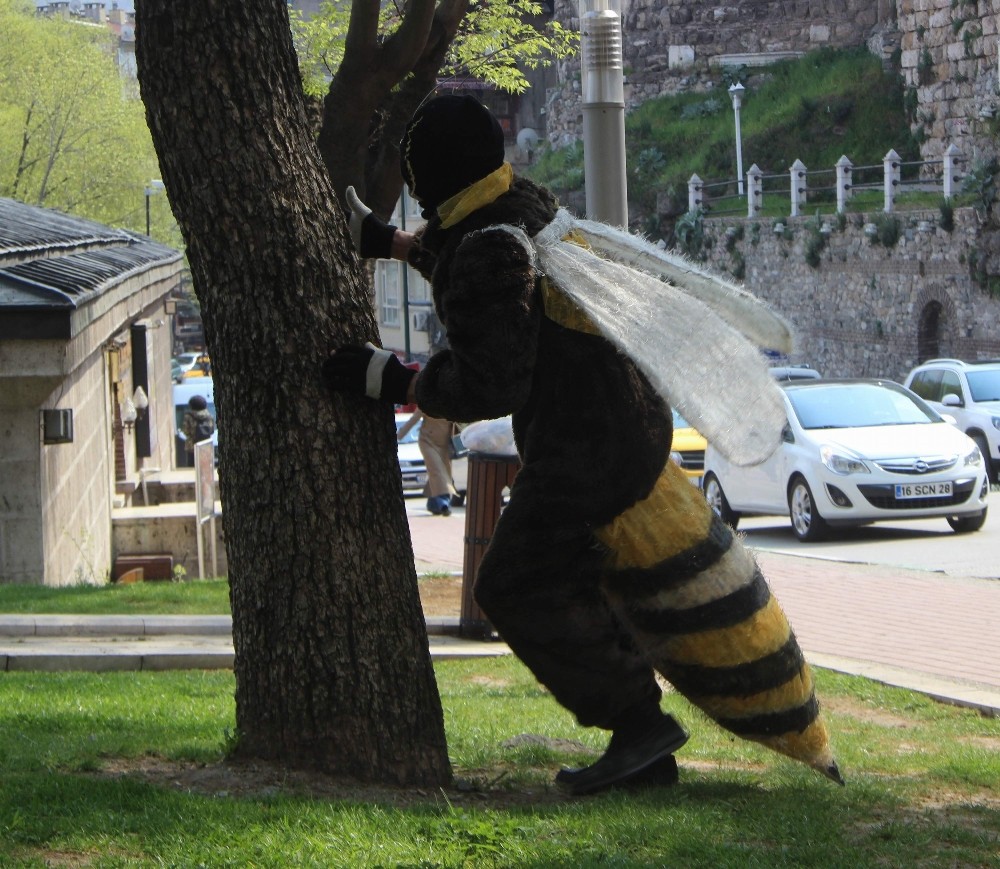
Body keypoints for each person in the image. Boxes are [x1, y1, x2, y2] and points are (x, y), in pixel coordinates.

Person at [324, 95, 840, 795]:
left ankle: (638, 724)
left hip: (586, 446)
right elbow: (479, 257)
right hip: (627, 428)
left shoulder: (491, 248)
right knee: (569, 572)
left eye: (417, 179)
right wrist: (391, 244)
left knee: (514, 581)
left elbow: (488, 378)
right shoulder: (526, 206)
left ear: (433, 179)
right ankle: (644, 739)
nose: (415, 193)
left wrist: (389, 378)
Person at [397, 407, 458, 515]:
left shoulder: (452, 402)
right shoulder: (428, 400)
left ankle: (433, 504)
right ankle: (444, 503)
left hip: (444, 445)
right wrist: (398, 435)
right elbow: (414, 418)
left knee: (441, 472)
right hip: (427, 441)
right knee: (438, 472)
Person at [181, 395, 214, 467]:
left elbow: (186, 431)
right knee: (205, 466)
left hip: (192, 446)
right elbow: (211, 431)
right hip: (205, 445)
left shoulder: (188, 416)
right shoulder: (209, 416)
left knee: (192, 467)